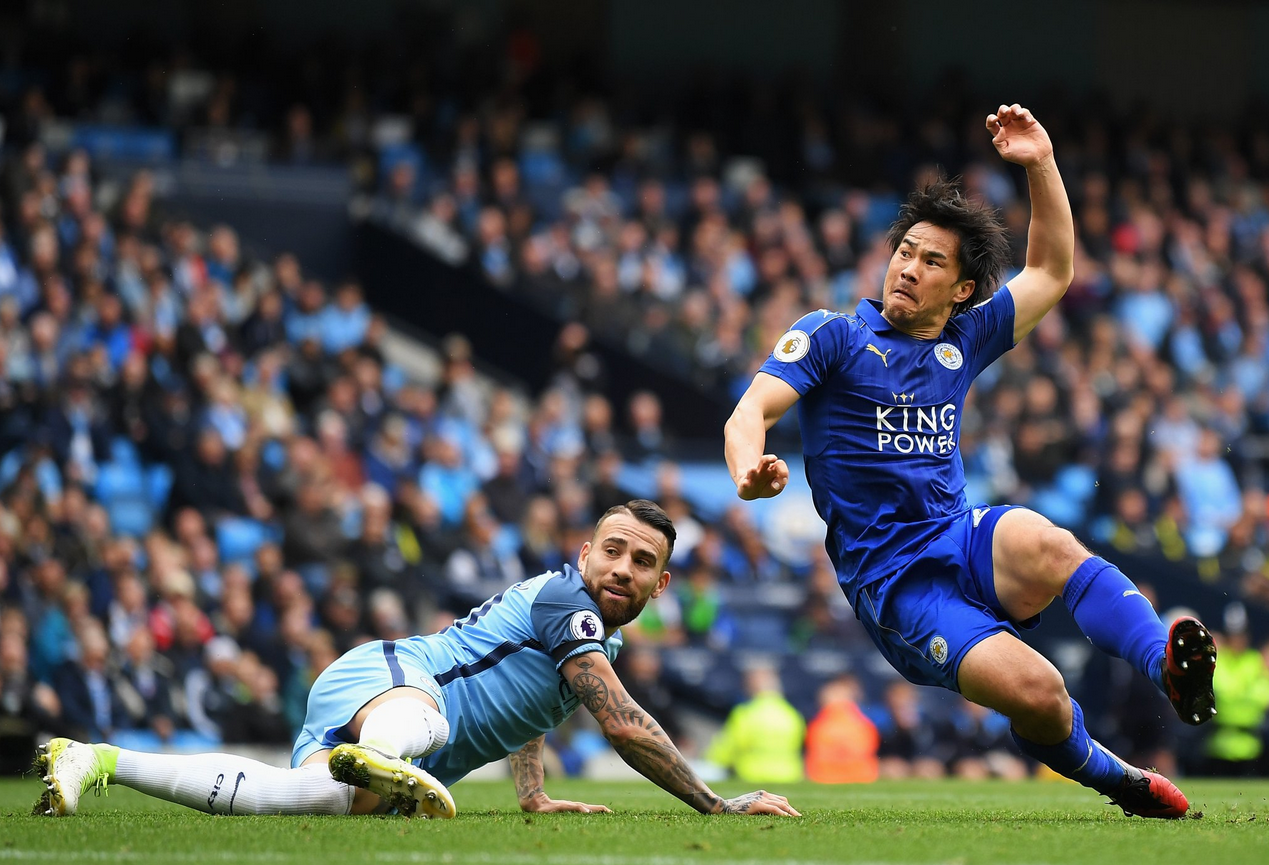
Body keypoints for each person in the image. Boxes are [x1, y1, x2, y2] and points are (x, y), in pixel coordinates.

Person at [724, 104, 1216, 819]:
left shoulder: (965, 337)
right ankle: (1116, 777)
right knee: (1043, 694)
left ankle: (1165, 669)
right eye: (904, 250)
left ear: (960, 290)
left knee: (1047, 540)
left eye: (930, 260)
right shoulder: (831, 337)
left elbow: (1051, 268)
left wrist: (1040, 164)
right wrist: (748, 466)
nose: (907, 267)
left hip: (959, 534)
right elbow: (750, 411)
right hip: (893, 580)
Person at [36, 500, 799, 820]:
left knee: (293, 801)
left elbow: (533, 707)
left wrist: (529, 793)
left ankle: (94, 757)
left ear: (662, 582)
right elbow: (626, 727)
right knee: (426, 728)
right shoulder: (567, 600)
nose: (622, 568)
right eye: (612, 550)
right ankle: (377, 756)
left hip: (390, 712)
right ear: (583, 552)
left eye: (642, 560)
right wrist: (716, 803)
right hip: (395, 681)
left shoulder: (592, 633)